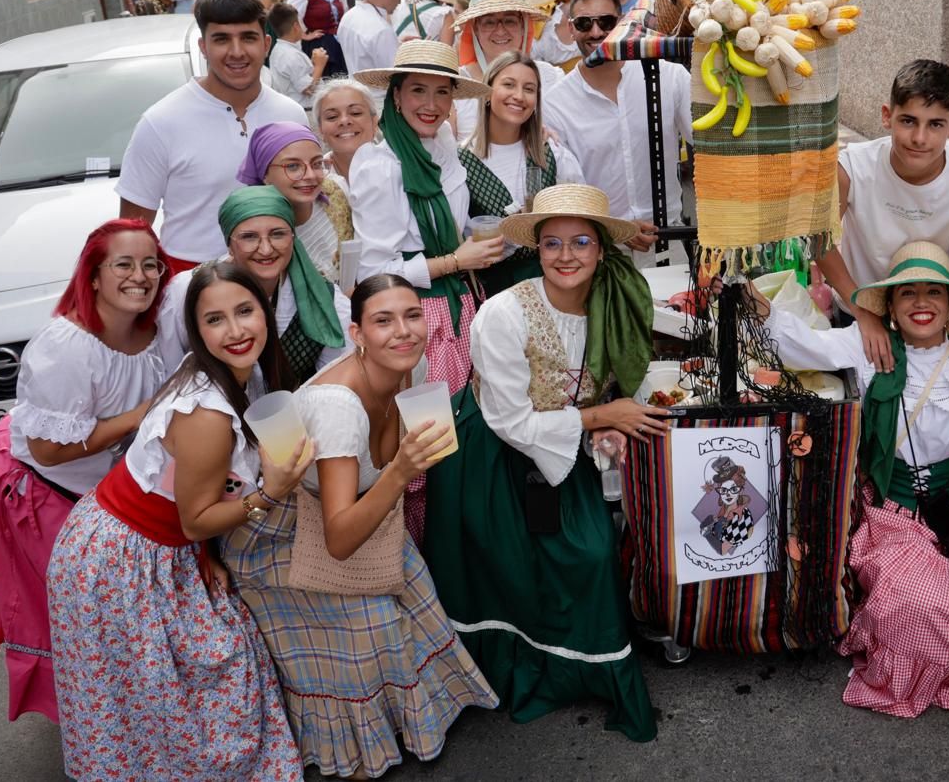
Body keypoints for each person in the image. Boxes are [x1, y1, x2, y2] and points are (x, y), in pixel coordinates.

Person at [753, 241, 949, 717]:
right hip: (891, 510)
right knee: (916, 603)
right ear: (890, 307)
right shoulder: (868, 346)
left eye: (933, 292)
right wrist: (755, 304)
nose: (920, 302)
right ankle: (915, 666)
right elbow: (800, 344)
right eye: (906, 293)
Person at [218, 275, 497, 777]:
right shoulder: (338, 408)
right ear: (356, 334)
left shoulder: (417, 366)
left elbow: (419, 462)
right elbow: (340, 540)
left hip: (363, 508)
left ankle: (406, 714)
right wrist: (401, 471)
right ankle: (353, 743)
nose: (404, 332)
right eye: (383, 321)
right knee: (376, 623)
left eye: (413, 316)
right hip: (284, 534)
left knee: (416, 588)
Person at [46, 262, 312, 782]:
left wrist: (207, 555)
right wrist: (269, 493)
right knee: (163, 697)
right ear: (197, 331)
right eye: (215, 320)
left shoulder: (229, 371)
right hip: (120, 561)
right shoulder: (208, 414)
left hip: (152, 547)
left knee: (181, 687)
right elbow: (195, 519)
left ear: (267, 312)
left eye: (244, 311)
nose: (234, 331)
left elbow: (194, 499)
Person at [448, 183, 665, 741]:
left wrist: (606, 426)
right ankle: (517, 664)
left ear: (600, 250)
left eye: (581, 242)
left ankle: (580, 667)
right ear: (536, 251)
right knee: (513, 564)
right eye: (552, 244)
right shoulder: (502, 315)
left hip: (564, 442)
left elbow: (602, 390)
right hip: (495, 454)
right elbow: (511, 423)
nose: (566, 256)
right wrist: (601, 418)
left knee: (589, 555)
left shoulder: (611, 304)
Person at [0, 219, 171, 723]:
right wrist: (142, 413)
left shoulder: (155, 330)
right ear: (94, 275)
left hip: (106, 486)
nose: (140, 275)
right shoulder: (67, 346)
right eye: (123, 264)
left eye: (150, 264)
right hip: (48, 487)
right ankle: (100, 720)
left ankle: (134, 707)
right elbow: (47, 450)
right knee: (78, 616)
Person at [347, 40, 506, 541]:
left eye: (442, 92)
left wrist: (465, 255)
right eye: (418, 90)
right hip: (417, 320)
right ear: (395, 96)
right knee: (428, 450)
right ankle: (431, 561)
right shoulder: (379, 165)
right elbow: (375, 269)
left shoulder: (441, 149)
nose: (431, 104)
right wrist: (454, 260)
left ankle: (467, 558)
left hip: (461, 308)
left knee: (470, 441)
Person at [818, 59, 949, 373]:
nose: (920, 138)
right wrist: (864, 313)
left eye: (936, 124)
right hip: (858, 313)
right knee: (859, 414)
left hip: (929, 322)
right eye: (909, 121)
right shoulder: (852, 168)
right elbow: (821, 242)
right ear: (888, 116)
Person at [119, 0, 308, 268]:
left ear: (266, 45)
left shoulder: (290, 114)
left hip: (280, 286)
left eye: (248, 38)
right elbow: (132, 234)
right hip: (190, 285)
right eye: (221, 39)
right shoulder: (160, 122)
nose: (236, 52)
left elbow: (301, 211)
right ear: (204, 47)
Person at [543, 0, 692, 254]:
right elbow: (567, 188)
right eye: (585, 23)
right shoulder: (556, 103)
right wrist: (615, 228)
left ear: (621, 23)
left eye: (606, 21)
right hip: (600, 248)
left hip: (668, 237)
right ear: (571, 28)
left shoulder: (669, 75)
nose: (597, 32)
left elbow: (705, 141)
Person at [158, 186, 351, 388]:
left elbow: (336, 382)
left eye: (277, 234)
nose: (266, 249)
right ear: (229, 244)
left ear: (293, 238)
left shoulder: (323, 299)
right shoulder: (187, 289)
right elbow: (169, 372)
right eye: (249, 237)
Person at [460, 51, 585, 296]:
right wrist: (509, 234)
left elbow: (581, 220)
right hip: (491, 294)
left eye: (529, 89)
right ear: (487, 92)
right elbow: (460, 239)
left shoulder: (553, 153)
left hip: (554, 291)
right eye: (508, 85)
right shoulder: (460, 161)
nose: (519, 96)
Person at [237, 121, 354, 286]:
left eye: (317, 164)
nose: (310, 175)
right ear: (264, 174)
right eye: (293, 166)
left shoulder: (336, 193)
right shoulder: (253, 230)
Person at [451, 0, 565, 141]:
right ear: (475, 29)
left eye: (509, 21)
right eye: (489, 22)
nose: (500, 31)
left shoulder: (551, 78)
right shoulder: (455, 84)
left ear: (523, 26)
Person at [336, 0, 410, 84]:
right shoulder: (381, 29)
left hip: (357, 90)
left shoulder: (348, 16)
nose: (399, 2)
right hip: (378, 97)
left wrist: (397, 43)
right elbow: (395, 74)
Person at [310, 78, 379, 191]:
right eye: (332, 116)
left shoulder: (400, 168)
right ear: (320, 130)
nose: (344, 121)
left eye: (355, 112)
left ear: (375, 121)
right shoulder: (311, 179)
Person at [287, 0, 347, 79]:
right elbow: (288, 14)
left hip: (339, 43)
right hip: (319, 45)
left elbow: (346, 13)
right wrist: (304, 35)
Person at [264, 2, 326, 110]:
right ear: (296, 26)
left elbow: (297, 75)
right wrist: (320, 65)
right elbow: (309, 89)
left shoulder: (281, 50)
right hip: (306, 110)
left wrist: (313, 63)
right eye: (300, 22)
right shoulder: (290, 55)